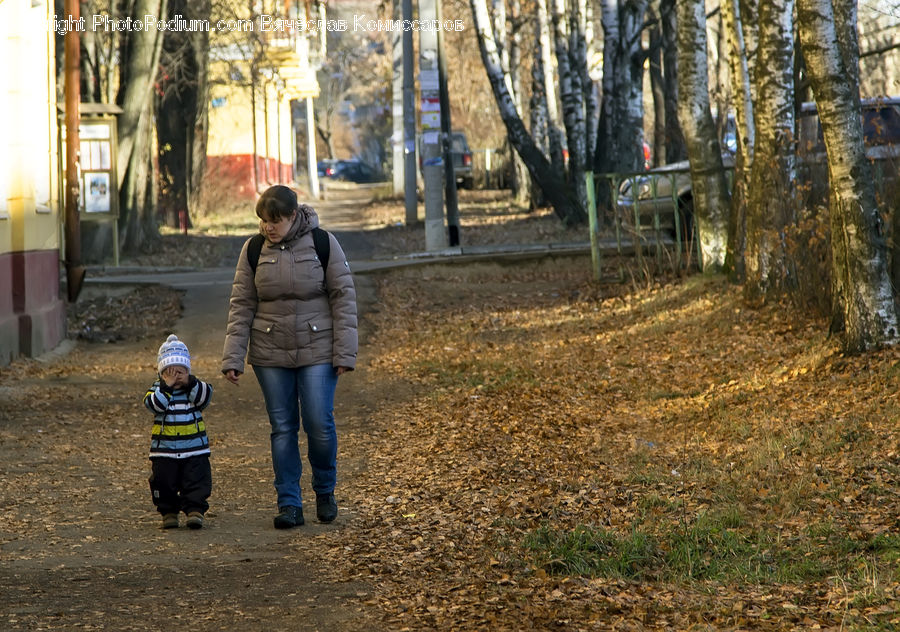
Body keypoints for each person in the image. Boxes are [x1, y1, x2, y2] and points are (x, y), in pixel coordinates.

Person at [222, 185, 358, 529]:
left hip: (318, 349)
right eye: (264, 221)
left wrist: (344, 352)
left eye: (276, 220)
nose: (268, 227)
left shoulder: (323, 243)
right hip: (270, 353)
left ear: (293, 215)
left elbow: (343, 298)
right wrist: (233, 357)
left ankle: (325, 491)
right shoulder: (253, 250)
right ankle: (289, 503)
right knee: (282, 428)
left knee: (319, 423)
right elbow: (242, 305)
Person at [144, 334, 213, 530]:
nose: (176, 376)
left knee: (196, 480)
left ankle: (195, 510)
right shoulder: (158, 390)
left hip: (195, 449)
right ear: (162, 373)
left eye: (181, 371)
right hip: (164, 451)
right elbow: (154, 405)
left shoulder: (194, 389)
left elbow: (205, 398)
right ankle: (168, 512)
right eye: (170, 372)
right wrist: (166, 387)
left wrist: (190, 382)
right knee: (163, 482)